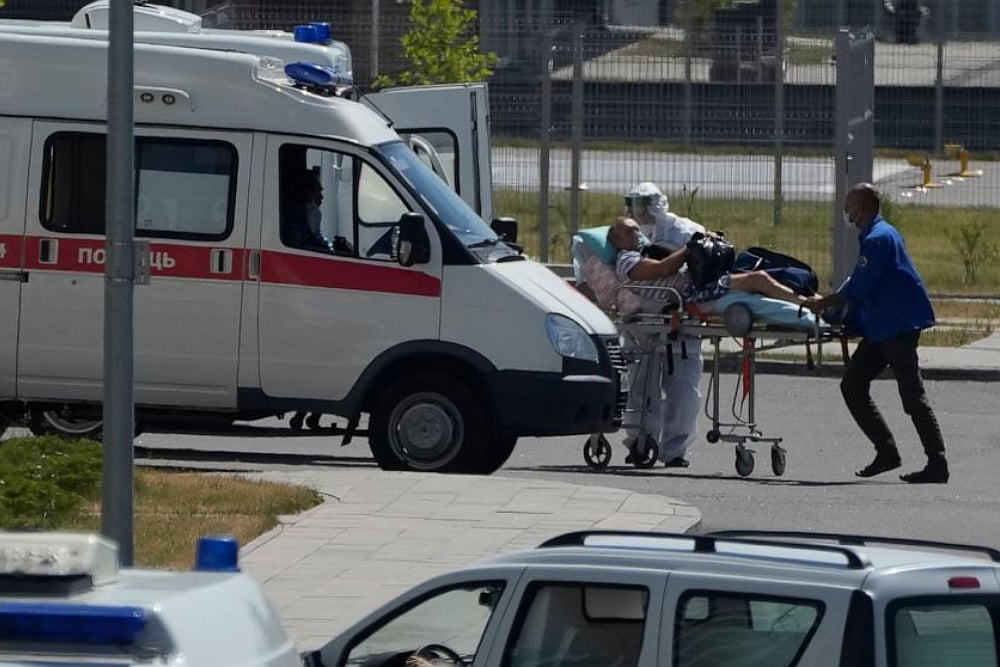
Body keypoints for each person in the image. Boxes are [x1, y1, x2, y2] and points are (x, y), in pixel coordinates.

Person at [803, 183, 948, 484]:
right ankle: (887, 451)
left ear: (864, 206)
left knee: (912, 395)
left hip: (897, 325)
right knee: (853, 385)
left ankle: (937, 463)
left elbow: (858, 288)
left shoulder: (879, 238)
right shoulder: (878, 235)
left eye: (850, 206)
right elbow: (860, 283)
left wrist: (823, 304)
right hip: (882, 326)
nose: (847, 212)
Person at [619, 183, 708, 468]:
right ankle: (640, 443)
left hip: (679, 320)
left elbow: (696, 270)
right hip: (643, 321)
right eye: (633, 205)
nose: (637, 213)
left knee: (683, 388)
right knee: (640, 386)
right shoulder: (628, 243)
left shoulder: (686, 232)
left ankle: (675, 450)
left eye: (641, 206)